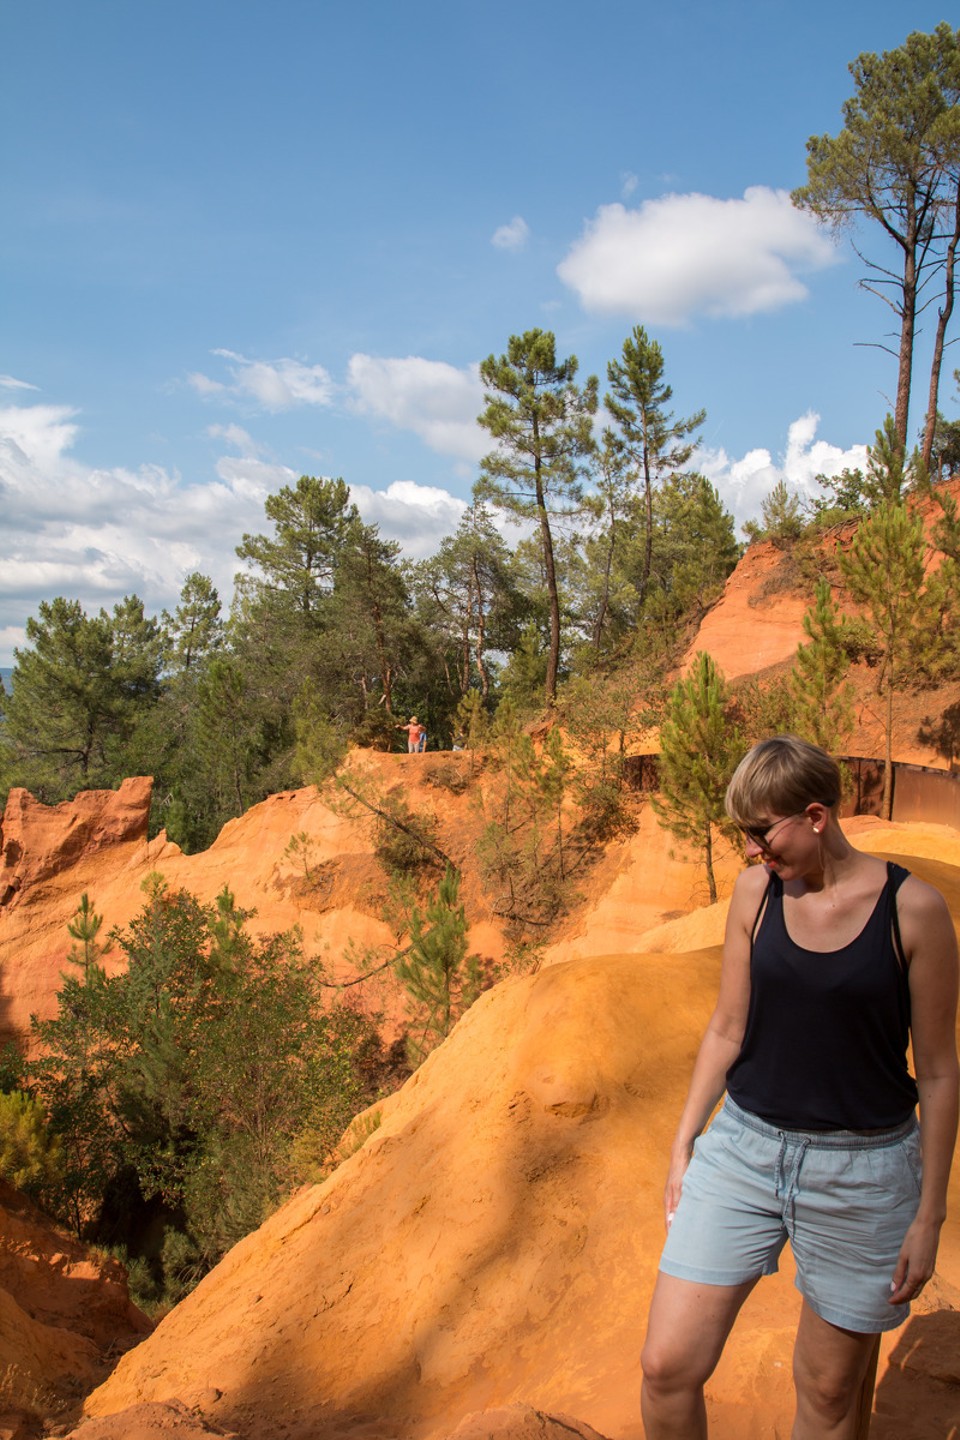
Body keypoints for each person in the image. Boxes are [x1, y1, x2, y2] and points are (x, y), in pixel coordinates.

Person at [641, 735, 959, 1440]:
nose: (754, 852)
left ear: (815, 816)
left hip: (864, 1173)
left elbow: (937, 1072)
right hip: (744, 1150)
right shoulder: (755, 895)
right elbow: (728, 1027)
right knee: (666, 1366)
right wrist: (684, 1138)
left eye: (761, 833)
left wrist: (927, 1215)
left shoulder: (915, 912)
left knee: (828, 1393)